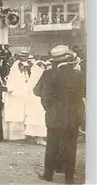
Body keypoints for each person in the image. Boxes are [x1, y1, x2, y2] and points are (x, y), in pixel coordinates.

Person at [35, 45, 85, 184]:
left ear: (54, 61)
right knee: (70, 147)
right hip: (72, 117)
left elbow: (38, 92)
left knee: (52, 145)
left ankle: (48, 175)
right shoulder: (79, 75)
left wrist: (49, 109)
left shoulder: (49, 74)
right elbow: (83, 95)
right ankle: (69, 178)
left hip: (54, 116)